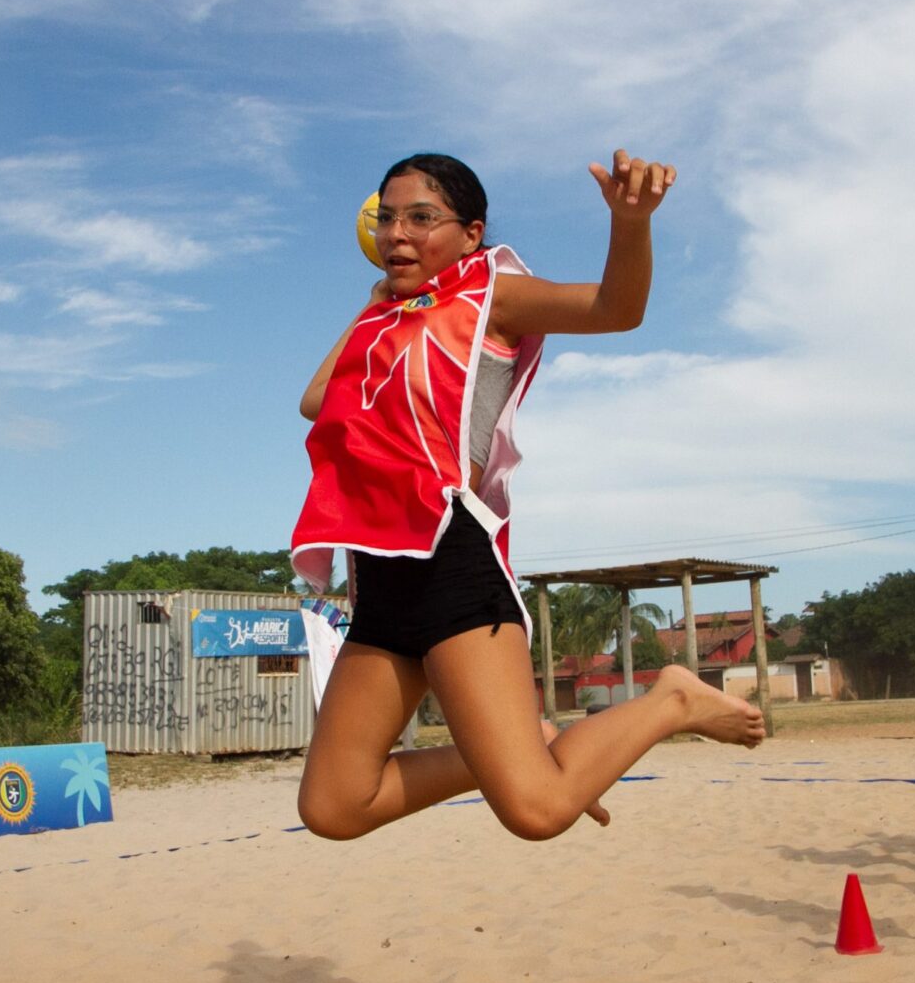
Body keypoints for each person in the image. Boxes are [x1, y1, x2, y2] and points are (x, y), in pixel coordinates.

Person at [291, 151, 764, 844]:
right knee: (333, 806)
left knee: (538, 813)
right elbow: (316, 401)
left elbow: (616, 309)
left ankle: (671, 698)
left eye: (422, 218)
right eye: (386, 218)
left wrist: (629, 224)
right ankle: (518, 748)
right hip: (382, 577)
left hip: (450, 561)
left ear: (470, 233)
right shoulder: (386, 321)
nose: (398, 234)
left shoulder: (491, 299)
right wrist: (375, 308)